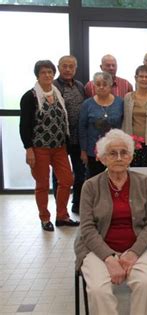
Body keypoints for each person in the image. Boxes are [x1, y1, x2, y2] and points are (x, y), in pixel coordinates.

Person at [74, 129, 147, 315]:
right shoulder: (90, 186)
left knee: (146, 284)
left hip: (136, 248)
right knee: (98, 290)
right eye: (112, 153)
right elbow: (87, 228)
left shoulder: (143, 182)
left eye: (124, 152)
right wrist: (109, 258)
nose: (119, 157)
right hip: (97, 250)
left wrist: (133, 253)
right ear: (103, 158)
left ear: (130, 157)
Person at [19, 60, 78, 231]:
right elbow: (24, 126)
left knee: (67, 180)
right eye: (44, 72)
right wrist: (28, 149)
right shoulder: (30, 96)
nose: (47, 75)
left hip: (59, 147)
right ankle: (45, 218)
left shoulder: (58, 93)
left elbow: (62, 120)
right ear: (37, 74)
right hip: (39, 148)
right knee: (43, 184)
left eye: (50, 72)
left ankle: (62, 216)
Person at [53, 55, 86, 214]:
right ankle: (60, 208)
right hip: (59, 139)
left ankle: (77, 203)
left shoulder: (80, 86)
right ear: (58, 68)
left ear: (75, 69)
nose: (67, 69)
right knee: (60, 176)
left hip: (78, 138)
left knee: (80, 173)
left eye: (71, 66)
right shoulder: (52, 86)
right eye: (64, 66)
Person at [80, 72, 124, 178]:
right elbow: (82, 128)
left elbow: (124, 124)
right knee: (95, 179)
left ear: (110, 86)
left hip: (115, 150)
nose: (101, 87)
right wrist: (83, 151)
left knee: (114, 178)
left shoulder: (120, 102)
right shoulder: (87, 104)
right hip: (93, 151)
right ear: (94, 86)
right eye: (98, 84)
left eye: (105, 84)